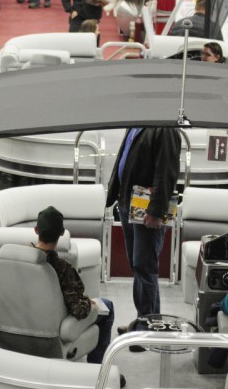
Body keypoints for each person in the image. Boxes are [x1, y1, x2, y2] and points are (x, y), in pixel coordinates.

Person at [106, 127, 181, 346]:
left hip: (147, 206)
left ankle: (147, 329)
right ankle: (146, 321)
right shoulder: (137, 123)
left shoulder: (164, 127)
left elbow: (167, 170)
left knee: (144, 266)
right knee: (139, 266)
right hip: (129, 201)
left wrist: (156, 211)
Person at [33, 206, 121, 383]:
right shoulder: (62, 268)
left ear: (36, 231)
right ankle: (99, 373)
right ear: (61, 234)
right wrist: (88, 303)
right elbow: (79, 311)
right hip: (56, 328)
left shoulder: (22, 260)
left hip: (28, 321)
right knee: (107, 306)